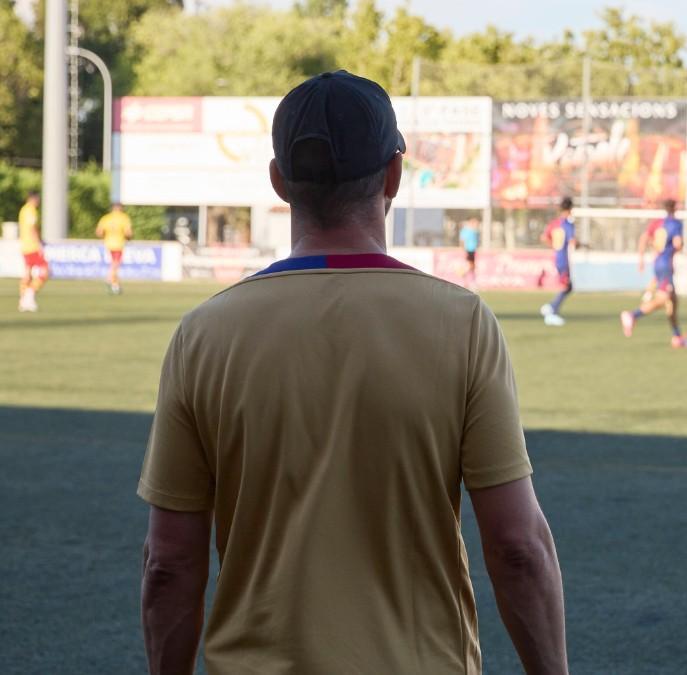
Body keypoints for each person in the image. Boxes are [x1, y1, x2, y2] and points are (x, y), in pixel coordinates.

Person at [137, 71, 567, 675]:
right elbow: (518, 547)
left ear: (279, 181)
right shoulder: (462, 322)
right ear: (394, 174)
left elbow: (169, 563)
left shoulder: (203, 334)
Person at [620, 199, 687, 348]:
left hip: (657, 263)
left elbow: (644, 239)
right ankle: (632, 315)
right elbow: (678, 244)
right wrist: (679, 248)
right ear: (675, 208)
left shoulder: (656, 223)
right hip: (666, 264)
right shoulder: (676, 224)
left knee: (673, 301)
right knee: (663, 299)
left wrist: (640, 259)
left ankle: (677, 336)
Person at [539, 197, 576, 327]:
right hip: (564, 259)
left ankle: (550, 307)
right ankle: (551, 312)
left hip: (557, 257)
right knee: (567, 286)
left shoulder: (554, 223)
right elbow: (572, 242)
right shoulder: (568, 224)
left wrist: (554, 246)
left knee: (568, 286)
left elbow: (543, 237)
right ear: (571, 209)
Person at [18, 191, 48, 312]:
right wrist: (39, 243)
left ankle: (23, 299)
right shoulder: (31, 210)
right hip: (32, 246)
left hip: (24, 245)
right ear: (33, 199)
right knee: (45, 271)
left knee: (28, 273)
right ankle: (28, 296)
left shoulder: (23, 210)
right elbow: (32, 228)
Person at [96, 202, 134, 294]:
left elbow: (99, 232)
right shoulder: (124, 218)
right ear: (120, 208)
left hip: (108, 244)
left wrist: (107, 236)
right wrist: (128, 238)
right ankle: (110, 281)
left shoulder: (106, 218)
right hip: (118, 245)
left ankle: (114, 284)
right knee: (115, 265)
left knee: (114, 265)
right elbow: (128, 233)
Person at [459, 216, 481, 291]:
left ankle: (468, 282)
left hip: (473, 250)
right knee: (470, 266)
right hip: (468, 250)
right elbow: (462, 240)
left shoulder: (475, 231)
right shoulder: (466, 230)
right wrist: (463, 249)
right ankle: (466, 281)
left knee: (472, 266)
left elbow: (477, 241)